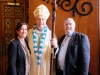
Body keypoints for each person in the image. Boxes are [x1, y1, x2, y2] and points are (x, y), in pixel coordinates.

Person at [27, 4, 58, 75]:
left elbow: (55, 52)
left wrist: (55, 46)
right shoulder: (29, 33)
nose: (41, 21)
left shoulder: (51, 34)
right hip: (32, 65)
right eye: (38, 19)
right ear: (35, 20)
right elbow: (22, 43)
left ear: (46, 21)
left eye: (43, 19)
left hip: (46, 65)